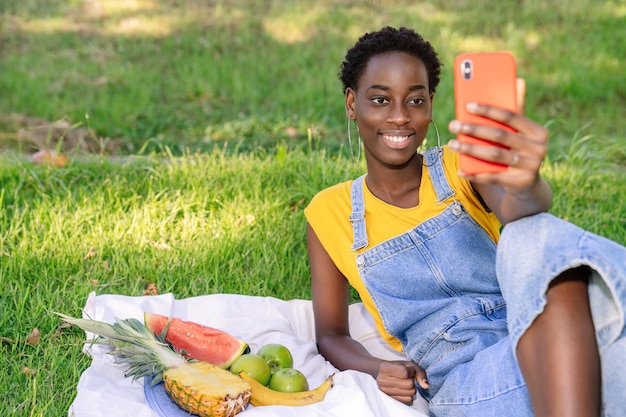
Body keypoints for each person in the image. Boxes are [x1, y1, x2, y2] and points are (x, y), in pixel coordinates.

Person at [304, 26, 626, 417]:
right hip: (466, 377)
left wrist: (527, 184)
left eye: (415, 100)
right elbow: (331, 334)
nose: (400, 117)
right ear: (352, 104)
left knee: (531, 234)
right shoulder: (329, 212)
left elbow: (518, 210)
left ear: (431, 105)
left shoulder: (462, 165)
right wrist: (377, 368)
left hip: (533, 327)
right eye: (380, 100)